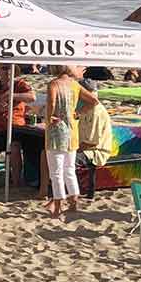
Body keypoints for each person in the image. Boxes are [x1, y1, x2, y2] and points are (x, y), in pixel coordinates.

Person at [44, 65, 99, 219]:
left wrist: (48, 119)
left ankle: (57, 207)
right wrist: (78, 112)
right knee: (69, 169)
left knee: (56, 172)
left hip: (57, 131)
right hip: (72, 131)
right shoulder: (75, 85)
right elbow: (94, 101)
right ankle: (73, 203)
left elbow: (51, 104)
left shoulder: (54, 84)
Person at [0, 66, 35, 186]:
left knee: (14, 149)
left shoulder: (20, 85)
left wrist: (11, 95)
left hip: (16, 127)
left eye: (11, 68)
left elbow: (32, 97)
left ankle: (16, 182)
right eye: (5, 68)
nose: (8, 71)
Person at [76, 80, 113, 200]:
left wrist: (74, 149)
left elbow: (91, 142)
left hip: (95, 151)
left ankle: (72, 193)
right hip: (86, 147)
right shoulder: (87, 108)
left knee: (67, 160)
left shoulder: (96, 112)